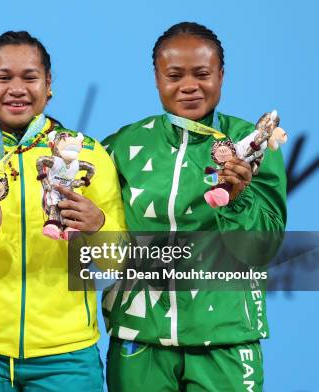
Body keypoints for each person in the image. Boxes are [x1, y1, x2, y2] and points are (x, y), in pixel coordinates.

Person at [0, 31, 126, 391]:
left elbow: (120, 262)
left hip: (68, 356)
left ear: (49, 85)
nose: (17, 89)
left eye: (30, 77)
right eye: (4, 78)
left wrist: (98, 227)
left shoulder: (89, 155)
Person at [101, 22, 287, 391]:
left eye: (202, 73)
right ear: (156, 78)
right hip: (140, 340)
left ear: (221, 74)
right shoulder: (121, 145)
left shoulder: (253, 146)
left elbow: (262, 248)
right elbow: (100, 246)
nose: (189, 85)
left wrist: (238, 200)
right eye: (174, 75)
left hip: (226, 341)